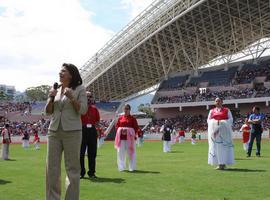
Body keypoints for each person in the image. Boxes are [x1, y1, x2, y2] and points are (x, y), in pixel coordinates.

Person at [45, 63, 87, 200]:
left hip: (73, 132)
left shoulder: (80, 89)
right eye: (60, 71)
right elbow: (48, 112)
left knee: (73, 170)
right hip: (54, 131)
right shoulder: (55, 89)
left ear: (71, 74)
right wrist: (51, 98)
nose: (60, 73)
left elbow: (83, 110)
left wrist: (72, 97)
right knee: (51, 169)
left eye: (63, 71)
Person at [207, 97, 234, 170]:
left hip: (224, 132)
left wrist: (222, 122)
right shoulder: (211, 111)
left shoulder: (226, 110)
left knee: (224, 147)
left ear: (222, 102)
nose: (217, 102)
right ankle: (219, 163)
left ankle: (224, 163)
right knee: (216, 147)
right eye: (216, 101)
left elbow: (231, 119)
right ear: (214, 102)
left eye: (219, 101)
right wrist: (215, 123)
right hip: (215, 132)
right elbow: (208, 120)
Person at [80, 91, 100, 179]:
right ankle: (81, 172)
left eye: (90, 96)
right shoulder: (80, 108)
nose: (88, 98)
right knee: (80, 153)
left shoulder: (95, 109)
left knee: (92, 153)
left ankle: (91, 172)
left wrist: (98, 131)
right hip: (82, 130)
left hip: (92, 130)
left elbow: (97, 122)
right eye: (86, 96)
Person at [114, 104, 139, 172]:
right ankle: (121, 167)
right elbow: (116, 127)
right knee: (120, 153)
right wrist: (121, 130)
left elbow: (136, 128)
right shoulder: (120, 118)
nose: (126, 110)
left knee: (131, 153)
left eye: (127, 109)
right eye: (125, 109)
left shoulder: (133, 119)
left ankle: (132, 167)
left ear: (130, 110)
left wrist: (128, 131)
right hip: (121, 139)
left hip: (130, 139)